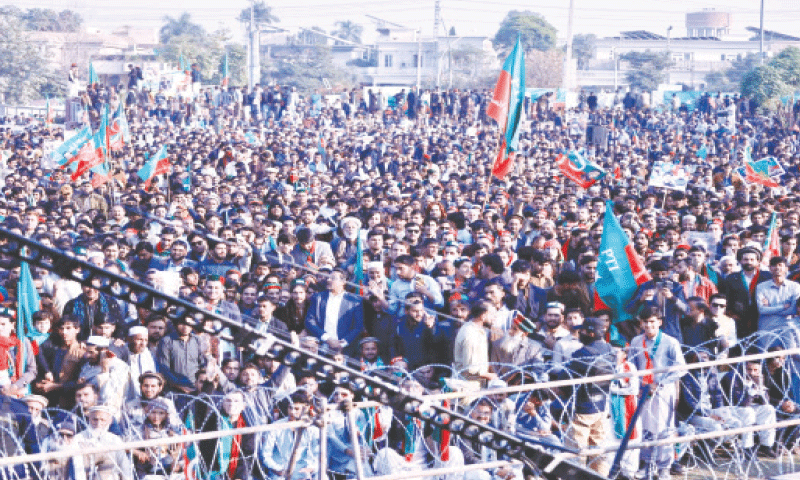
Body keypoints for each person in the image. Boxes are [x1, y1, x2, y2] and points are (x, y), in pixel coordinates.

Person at [628, 306, 687, 480]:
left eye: (652, 322)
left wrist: (659, 382)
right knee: (645, 428)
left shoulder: (670, 342)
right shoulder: (636, 341)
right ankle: (648, 464)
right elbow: (632, 366)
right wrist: (637, 385)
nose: (649, 326)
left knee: (664, 429)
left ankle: (664, 468)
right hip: (642, 390)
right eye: (645, 322)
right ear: (641, 323)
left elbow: (681, 369)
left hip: (662, 390)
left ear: (659, 323)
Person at [561, 317, 616, 476]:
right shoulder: (610, 350)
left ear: (591, 333)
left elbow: (567, 379)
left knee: (576, 451)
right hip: (601, 405)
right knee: (598, 450)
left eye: (582, 331)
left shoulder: (582, 353)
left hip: (582, 407)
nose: (580, 333)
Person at [304, 268, 365, 357]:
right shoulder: (318, 298)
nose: (328, 280)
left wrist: (342, 343)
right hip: (321, 346)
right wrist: (327, 339)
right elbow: (309, 321)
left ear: (343, 282)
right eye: (328, 277)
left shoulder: (355, 301)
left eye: (333, 278)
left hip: (345, 349)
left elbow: (358, 327)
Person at [260, 391, 320, 480]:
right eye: (290, 408)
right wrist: (278, 470)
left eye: (296, 409)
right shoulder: (277, 426)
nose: (292, 412)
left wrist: (310, 468)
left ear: (305, 409)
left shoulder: (312, 429)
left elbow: (317, 454)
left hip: (301, 470)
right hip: (280, 470)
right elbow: (265, 454)